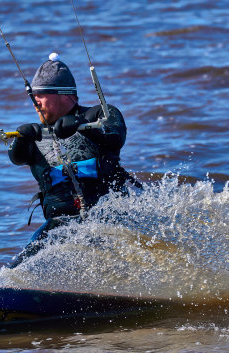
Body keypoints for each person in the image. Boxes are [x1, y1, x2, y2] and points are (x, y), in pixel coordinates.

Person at [7, 53, 135, 267]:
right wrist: (21, 140)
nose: (35, 102)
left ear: (65, 95)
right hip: (59, 226)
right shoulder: (34, 134)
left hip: (109, 218)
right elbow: (17, 158)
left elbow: (115, 136)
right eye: (33, 95)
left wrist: (78, 125)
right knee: (24, 263)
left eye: (41, 94)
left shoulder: (99, 115)